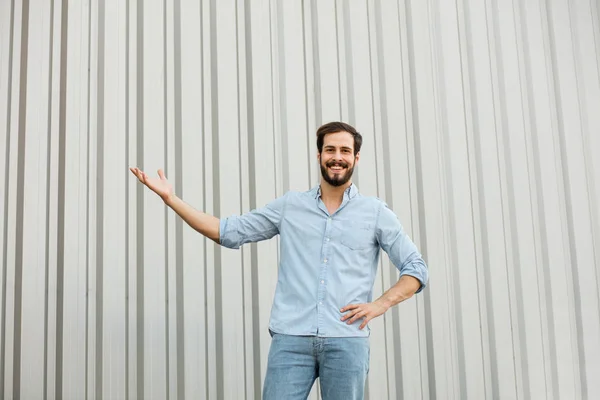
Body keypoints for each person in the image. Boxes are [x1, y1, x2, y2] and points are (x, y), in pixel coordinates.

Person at [130, 121, 428, 400]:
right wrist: (171, 199)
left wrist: (379, 305)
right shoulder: (290, 206)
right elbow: (228, 232)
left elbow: (415, 269)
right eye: (330, 150)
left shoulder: (375, 212)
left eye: (345, 151)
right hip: (291, 341)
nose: (337, 157)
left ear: (356, 158)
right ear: (319, 154)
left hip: (346, 341)